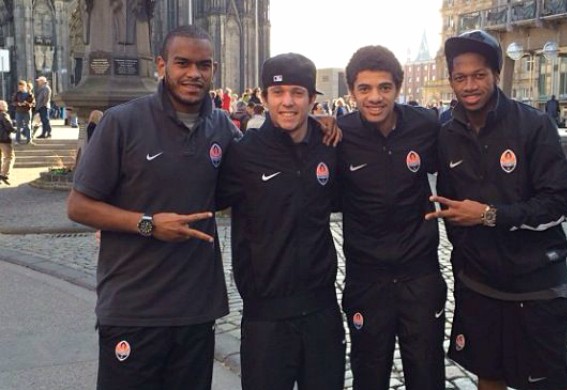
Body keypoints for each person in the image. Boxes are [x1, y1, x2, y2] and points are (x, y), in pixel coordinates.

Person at [66, 25, 240, 390]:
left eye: (203, 65)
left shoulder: (222, 126)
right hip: (134, 311)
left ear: (214, 69)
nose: (194, 73)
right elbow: (79, 206)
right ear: (162, 65)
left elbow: (265, 163)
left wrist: (323, 127)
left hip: (195, 312)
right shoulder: (123, 122)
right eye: (183, 63)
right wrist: (147, 224)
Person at [425, 30, 567, 390]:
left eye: (479, 75)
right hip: (479, 284)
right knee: (488, 377)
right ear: (450, 81)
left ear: (495, 74)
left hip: (536, 284)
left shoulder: (534, 125)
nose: (470, 85)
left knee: (543, 382)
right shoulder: (445, 131)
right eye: (460, 77)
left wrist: (490, 215)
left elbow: (559, 202)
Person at [216, 52, 345, 390]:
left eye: (298, 93)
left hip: (321, 311)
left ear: (313, 99)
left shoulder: (329, 147)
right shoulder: (244, 153)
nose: (288, 102)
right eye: (278, 92)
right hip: (266, 317)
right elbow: (196, 195)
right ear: (263, 97)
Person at [337, 45, 446, 390]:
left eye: (384, 87)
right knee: (369, 374)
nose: (375, 97)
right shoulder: (336, 136)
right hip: (366, 279)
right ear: (351, 91)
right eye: (364, 88)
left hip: (420, 275)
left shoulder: (426, 126)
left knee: (427, 373)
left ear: (398, 89)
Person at [11, 80, 34, 144]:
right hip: (19, 111)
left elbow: (33, 104)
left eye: (21, 87)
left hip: (27, 111)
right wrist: (18, 103)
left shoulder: (30, 94)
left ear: (25, 86)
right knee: (18, 126)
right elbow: (13, 102)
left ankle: (29, 140)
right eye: (19, 87)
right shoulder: (17, 94)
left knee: (28, 126)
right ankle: (17, 140)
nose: (20, 88)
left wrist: (27, 103)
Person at [0, 100, 16, 185]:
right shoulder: (4, 114)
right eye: (4, 105)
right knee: (9, 157)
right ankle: (4, 174)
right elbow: (8, 126)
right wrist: (15, 130)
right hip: (4, 140)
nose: (6, 106)